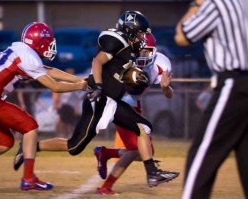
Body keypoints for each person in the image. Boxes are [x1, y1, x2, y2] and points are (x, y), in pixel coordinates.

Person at [13, 11, 179, 188]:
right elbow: (97, 62)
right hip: (100, 98)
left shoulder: (134, 52)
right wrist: (98, 86)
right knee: (75, 146)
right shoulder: (118, 42)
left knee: (140, 129)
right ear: (130, 30)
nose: (142, 38)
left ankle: (152, 173)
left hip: (112, 101)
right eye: (139, 33)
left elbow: (124, 74)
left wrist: (156, 84)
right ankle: (30, 146)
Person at [0, 22, 87, 194]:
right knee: (30, 127)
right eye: (49, 41)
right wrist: (80, 87)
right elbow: (55, 87)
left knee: (4, 142)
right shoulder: (29, 57)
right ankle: (28, 178)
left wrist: (80, 80)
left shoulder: (20, 50)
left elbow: (48, 70)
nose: (51, 45)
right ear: (38, 41)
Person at [175, 0, 248, 198]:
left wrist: (196, 4)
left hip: (233, 84)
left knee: (202, 156)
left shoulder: (216, 4)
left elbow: (182, 36)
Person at [94, 33, 176, 195]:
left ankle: (105, 153)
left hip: (134, 103)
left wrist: (166, 87)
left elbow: (169, 95)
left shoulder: (161, 63)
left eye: (147, 51)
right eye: (140, 50)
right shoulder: (124, 56)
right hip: (118, 102)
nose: (143, 54)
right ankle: (106, 187)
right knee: (135, 150)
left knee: (146, 152)